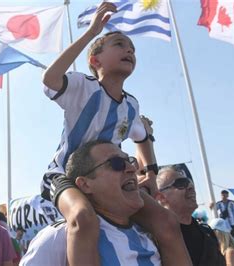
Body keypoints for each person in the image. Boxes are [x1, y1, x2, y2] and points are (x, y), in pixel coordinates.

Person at [40, 2, 157, 264]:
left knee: (166, 221)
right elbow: (50, 79)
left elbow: (143, 136)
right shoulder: (83, 87)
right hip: (65, 176)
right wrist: (92, 32)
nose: (129, 50)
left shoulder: (131, 106)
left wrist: (152, 173)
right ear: (95, 60)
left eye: (132, 49)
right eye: (119, 44)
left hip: (108, 181)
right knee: (83, 218)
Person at [21, 140, 190, 266]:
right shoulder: (59, 238)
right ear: (85, 184)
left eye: (129, 160)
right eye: (116, 163)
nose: (131, 169)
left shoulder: (148, 235)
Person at [156, 166, 226, 266]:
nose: (190, 186)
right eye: (181, 183)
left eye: (189, 182)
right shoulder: (156, 240)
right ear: (161, 197)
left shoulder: (208, 232)